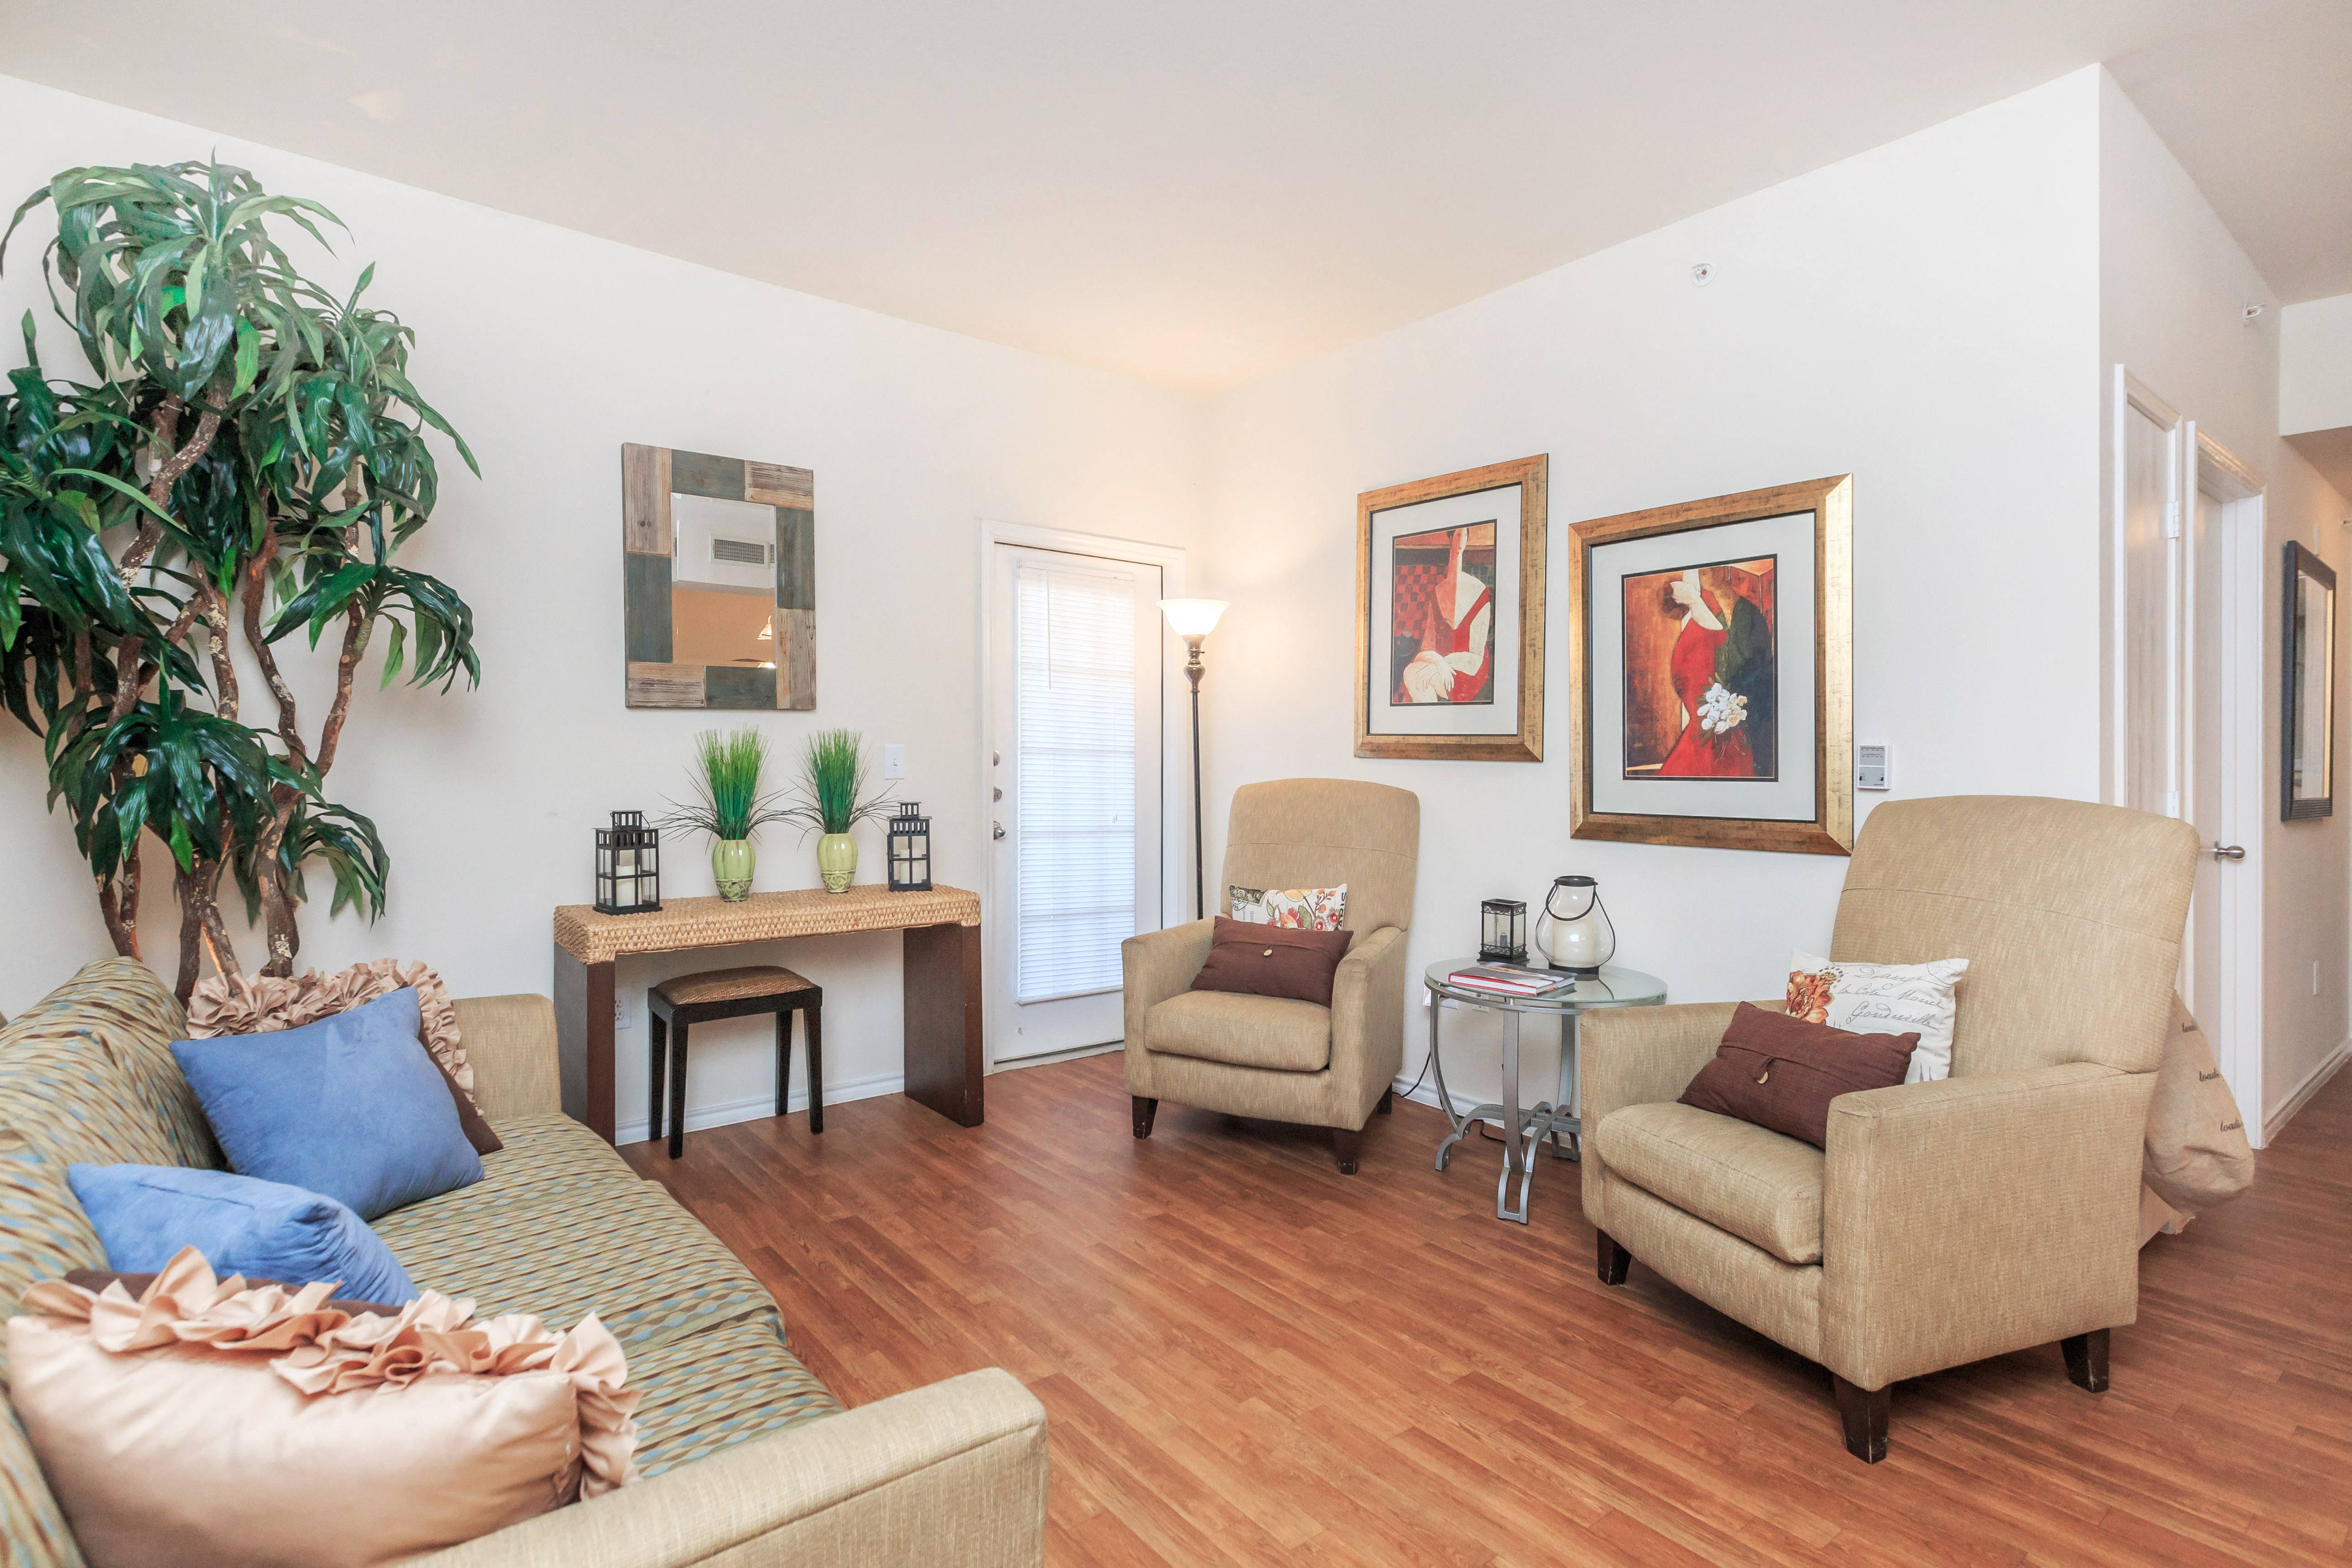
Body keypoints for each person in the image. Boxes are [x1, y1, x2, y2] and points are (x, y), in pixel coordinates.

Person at [1656, 567, 1772, 777]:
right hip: (1718, 709)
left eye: (1711, 570)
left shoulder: (1749, 614)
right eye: (1702, 573)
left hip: (1747, 706)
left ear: (1724, 571)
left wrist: (1736, 697)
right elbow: (1687, 669)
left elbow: (1761, 662)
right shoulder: (1708, 620)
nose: (1707, 576)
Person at [1396, 526, 1493, 704]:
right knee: (1410, 672)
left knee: (1419, 677)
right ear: (1450, 538)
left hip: (1468, 672)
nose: (1461, 540)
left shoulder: (1480, 591)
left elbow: (1476, 659)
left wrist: (1440, 665)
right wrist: (1438, 663)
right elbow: (1425, 650)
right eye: (1457, 535)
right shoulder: (1437, 592)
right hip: (1440, 668)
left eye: (1465, 535)